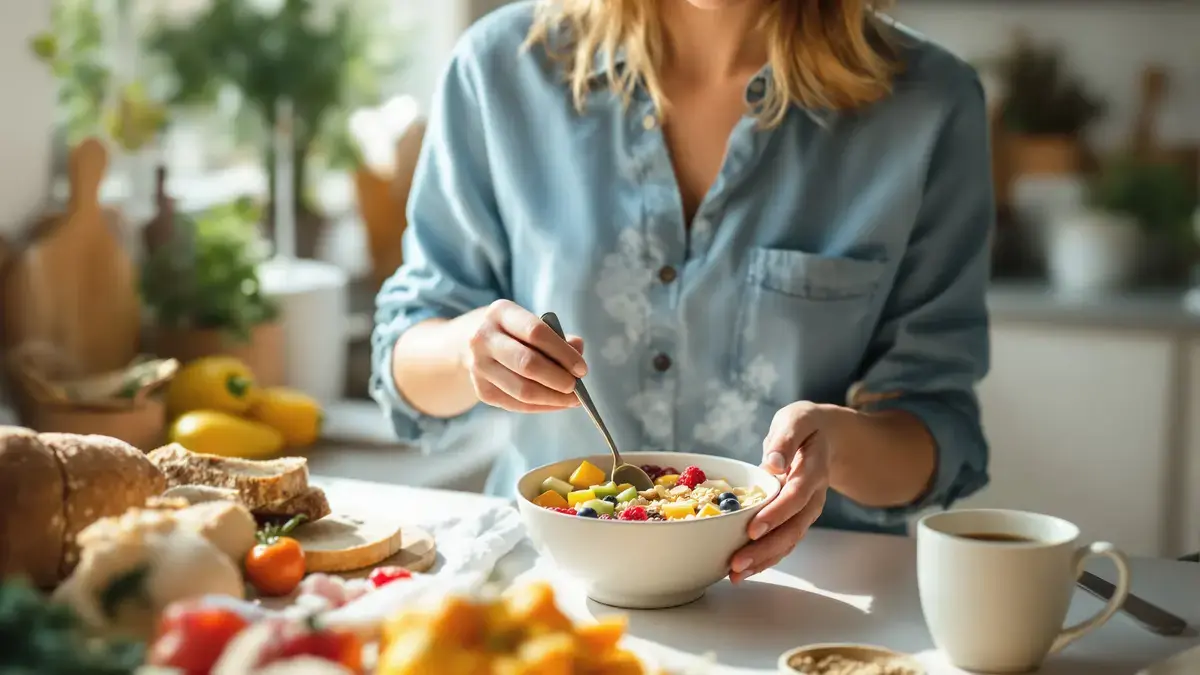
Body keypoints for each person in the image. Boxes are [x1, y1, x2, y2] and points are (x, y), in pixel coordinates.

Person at [372, 0, 992, 583]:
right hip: (550, 586)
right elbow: (405, 359)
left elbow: (937, 427)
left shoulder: (930, 103)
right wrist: (469, 351)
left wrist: (840, 447)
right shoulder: (501, 68)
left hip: (801, 599)